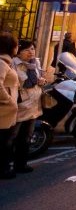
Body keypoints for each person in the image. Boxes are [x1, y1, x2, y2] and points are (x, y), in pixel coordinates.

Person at [10, 41, 48, 174]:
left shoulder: (35, 64)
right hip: (20, 106)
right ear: (18, 51)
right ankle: (5, 165)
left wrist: (42, 81)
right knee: (12, 136)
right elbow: (16, 84)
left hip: (33, 105)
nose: (31, 52)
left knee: (27, 136)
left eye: (32, 49)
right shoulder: (13, 64)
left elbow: (38, 80)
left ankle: (21, 164)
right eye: (27, 50)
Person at [0, 35, 19, 179]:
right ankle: (4, 169)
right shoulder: (2, 63)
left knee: (6, 141)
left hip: (7, 111)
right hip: (3, 110)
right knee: (4, 142)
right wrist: (9, 101)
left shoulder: (8, 63)